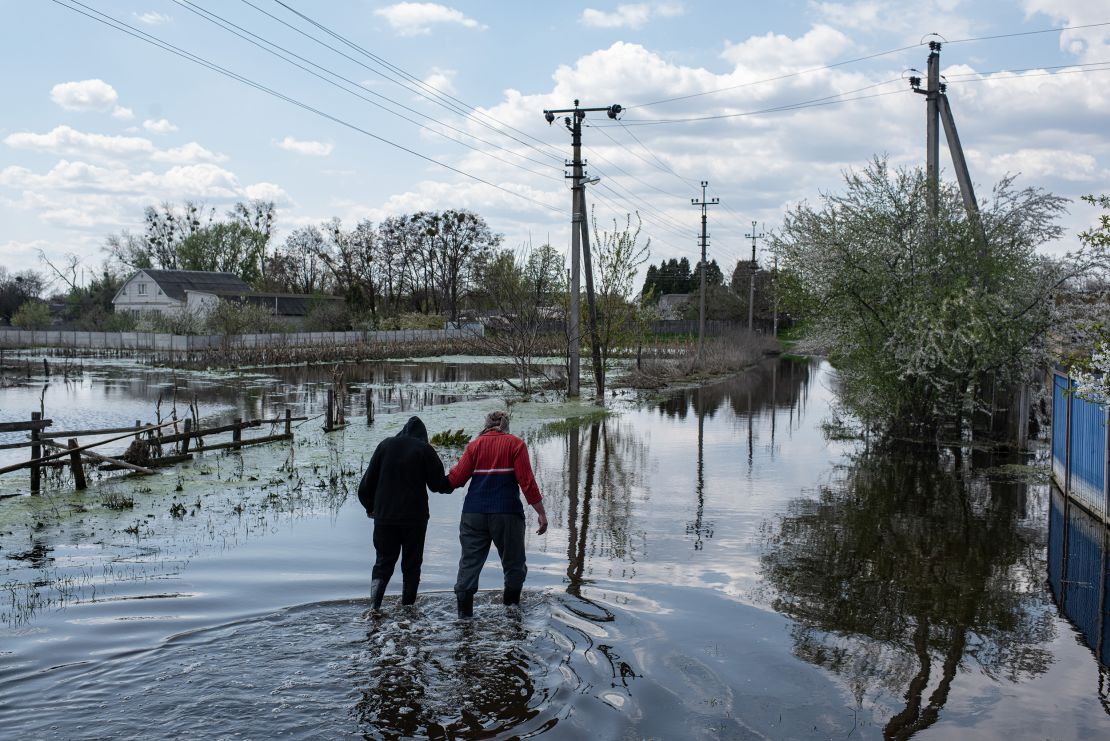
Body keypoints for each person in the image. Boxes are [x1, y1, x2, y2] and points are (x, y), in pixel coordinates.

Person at [447, 410, 548, 618]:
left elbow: (456, 479)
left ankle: (464, 620)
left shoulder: (474, 445)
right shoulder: (515, 444)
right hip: (507, 514)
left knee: (469, 565)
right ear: (506, 425)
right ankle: (511, 615)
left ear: (486, 425)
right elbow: (527, 482)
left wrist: (429, 479)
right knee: (514, 566)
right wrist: (541, 513)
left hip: (473, 514)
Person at [357, 415, 453, 611]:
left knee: (383, 562)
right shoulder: (424, 449)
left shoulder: (385, 446)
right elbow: (438, 485)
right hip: (414, 519)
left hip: (385, 517)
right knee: (411, 565)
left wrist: (370, 507)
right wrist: (458, 478)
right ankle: (408, 609)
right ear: (423, 436)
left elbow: (365, 485)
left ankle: (374, 608)